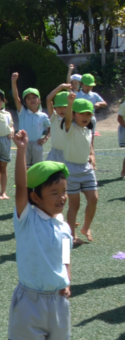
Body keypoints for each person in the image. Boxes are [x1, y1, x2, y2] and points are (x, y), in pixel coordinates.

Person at [9, 134, 72, 340]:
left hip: (57, 301)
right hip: (30, 300)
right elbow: (21, 185)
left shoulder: (63, 225)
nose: (62, 198)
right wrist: (22, 150)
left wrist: (67, 280)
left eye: (63, 191)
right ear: (35, 197)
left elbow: (64, 257)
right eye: (54, 193)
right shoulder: (27, 218)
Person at [62, 94, 98, 245]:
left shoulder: (88, 130)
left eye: (88, 114)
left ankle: (85, 228)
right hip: (71, 170)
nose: (85, 117)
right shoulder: (70, 127)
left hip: (86, 169)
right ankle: (72, 235)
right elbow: (68, 119)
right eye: (82, 113)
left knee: (94, 199)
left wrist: (92, 154)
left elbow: (89, 144)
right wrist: (70, 103)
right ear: (74, 114)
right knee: (74, 205)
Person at [12, 73, 50, 167]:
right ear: (25, 102)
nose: (31, 100)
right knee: (25, 167)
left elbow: (50, 126)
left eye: (34, 97)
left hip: (37, 144)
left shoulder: (43, 115)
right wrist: (13, 82)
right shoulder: (23, 112)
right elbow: (16, 98)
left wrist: (46, 138)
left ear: (39, 100)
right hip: (24, 144)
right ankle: (26, 182)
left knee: (38, 167)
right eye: (28, 98)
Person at [45, 86, 71, 164]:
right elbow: (48, 99)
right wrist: (61, 86)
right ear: (55, 108)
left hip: (69, 154)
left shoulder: (73, 120)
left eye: (65, 107)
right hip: (54, 153)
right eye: (59, 107)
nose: (62, 110)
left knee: (68, 175)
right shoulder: (54, 117)